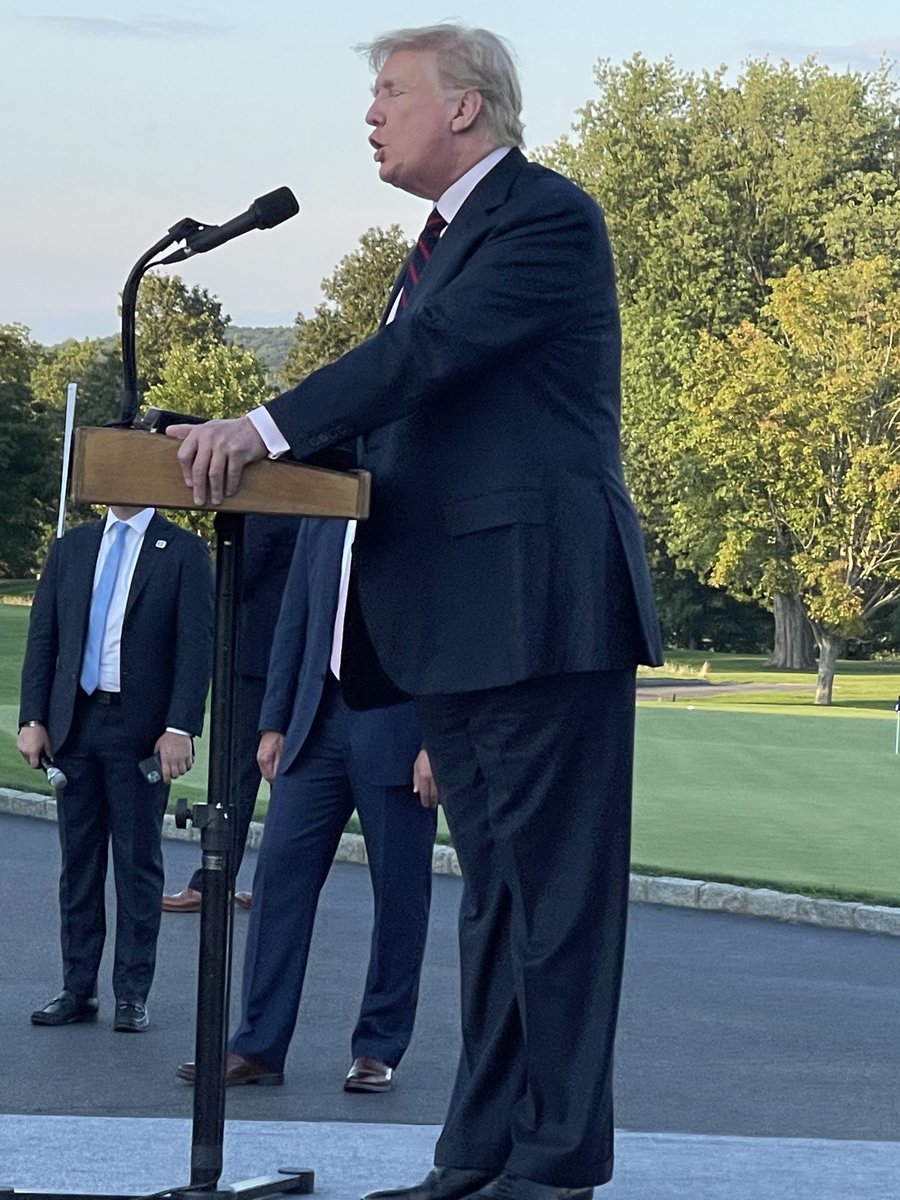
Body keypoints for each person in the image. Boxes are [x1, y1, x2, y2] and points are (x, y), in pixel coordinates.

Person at [166, 21, 663, 1200]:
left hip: (543, 613)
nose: (373, 113)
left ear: (467, 110)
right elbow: (400, 395)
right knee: (496, 904)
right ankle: (479, 1154)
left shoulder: (543, 218)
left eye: (394, 91)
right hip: (463, 619)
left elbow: (428, 356)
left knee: (555, 907)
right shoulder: (439, 247)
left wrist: (268, 428)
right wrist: (210, 434)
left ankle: (553, 1164)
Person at [175, 516, 437, 1092]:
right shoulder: (319, 512)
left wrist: (438, 741)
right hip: (313, 726)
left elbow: (446, 624)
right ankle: (258, 1046)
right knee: (277, 886)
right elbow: (294, 618)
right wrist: (272, 721)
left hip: (399, 728)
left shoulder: (427, 506)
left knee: (399, 896)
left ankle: (377, 1047)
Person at [18, 505, 214, 1033]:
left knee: (137, 864)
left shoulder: (183, 552)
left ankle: (132, 993)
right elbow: (44, 640)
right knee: (78, 867)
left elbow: (196, 648)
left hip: (140, 730)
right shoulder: (72, 548)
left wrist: (180, 726)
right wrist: (33, 718)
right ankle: (77, 988)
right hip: (75, 727)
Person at [162, 513, 302, 913]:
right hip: (282, 657)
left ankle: (213, 880)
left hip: (255, 659)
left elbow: (237, 577)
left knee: (236, 776)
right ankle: (276, 889)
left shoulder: (264, 506)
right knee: (279, 776)